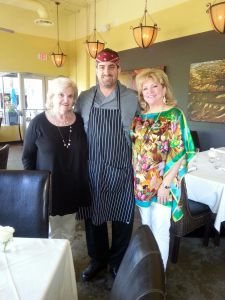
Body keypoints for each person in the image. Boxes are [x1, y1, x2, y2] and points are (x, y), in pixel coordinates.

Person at [75, 48, 138, 280]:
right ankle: (98, 259)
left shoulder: (132, 98)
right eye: (102, 67)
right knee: (94, 220)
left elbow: (144, 133)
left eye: (111, 67)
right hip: (92, 170)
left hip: (121, 169)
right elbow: (72, 127)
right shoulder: (84, 97)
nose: (106, 72)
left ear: (118, 69)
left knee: (122, 219)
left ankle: (116, 263)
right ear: (96, 70)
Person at [130, 68, 195, 270]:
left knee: (160, 230)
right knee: (146, 228)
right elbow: (135, 150)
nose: (149, 91)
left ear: (164, 88)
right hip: (141, 183)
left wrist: (165, 185)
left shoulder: (174, 114)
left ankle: (159, 275)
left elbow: (180, 151)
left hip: (162, 185)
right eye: (145, 88)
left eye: (154, 86)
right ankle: (148, 271)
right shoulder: (139, 118)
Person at [22, 77, 91, 249]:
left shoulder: (79, 121)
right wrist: (35, 187)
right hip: (49, 189)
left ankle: (64, 267)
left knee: (68, 233)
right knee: (50, 233)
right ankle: (50, 268)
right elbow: (27, 157)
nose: (66, 100)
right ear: (52, 96)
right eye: (61, 95)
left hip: (72, 187)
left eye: (70, 96)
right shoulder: (38, 123)